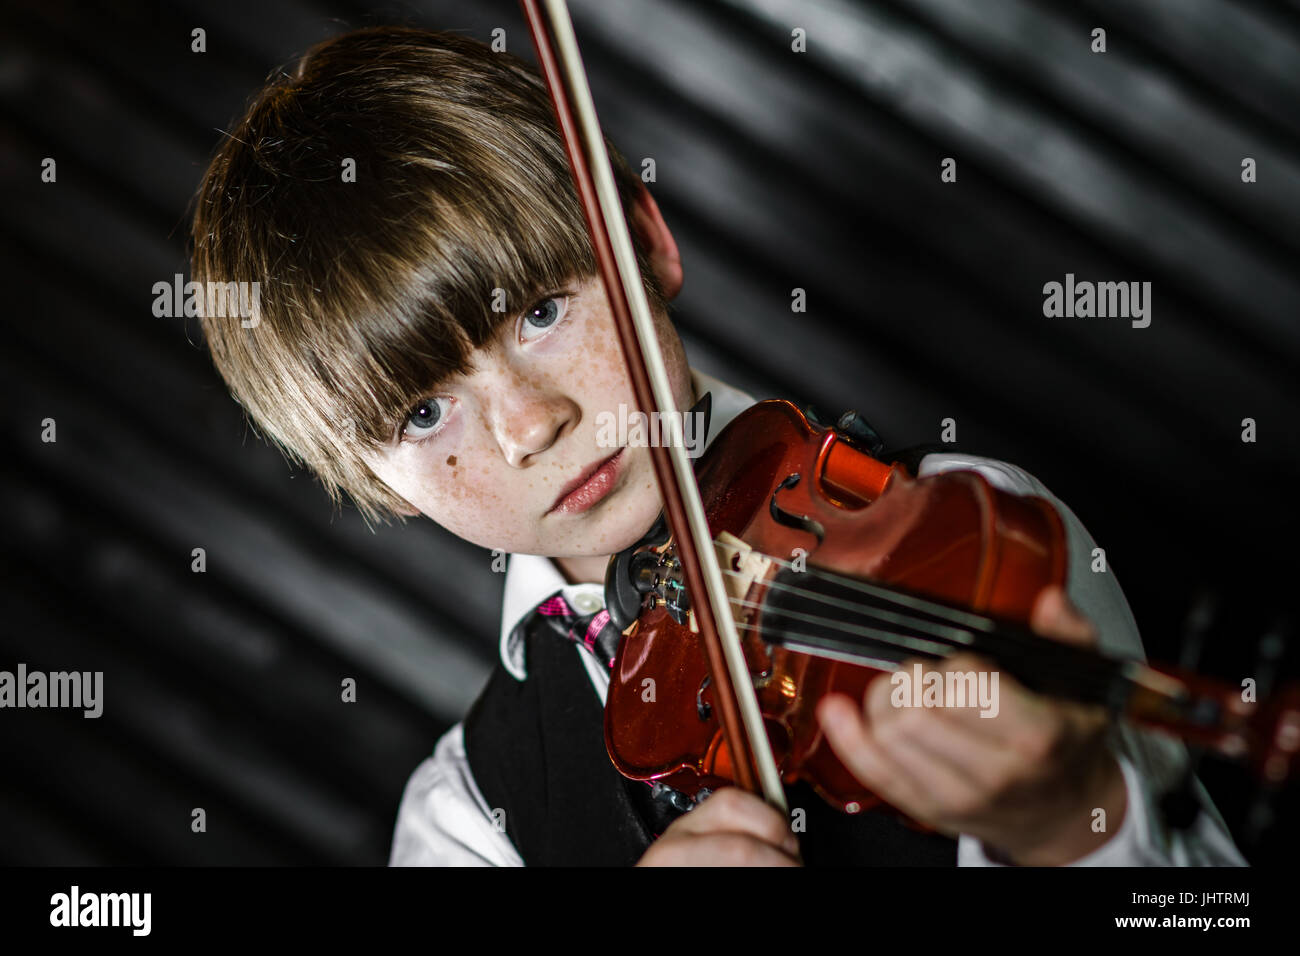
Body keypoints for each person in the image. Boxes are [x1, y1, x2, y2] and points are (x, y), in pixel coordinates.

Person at [190, 25, 1246, 866]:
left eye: (542, 314)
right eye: (422, 413)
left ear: (646, 243)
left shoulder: (961, 528)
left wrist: (1074, 824)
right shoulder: (469, 817)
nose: (531, 422)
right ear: (371, 478)